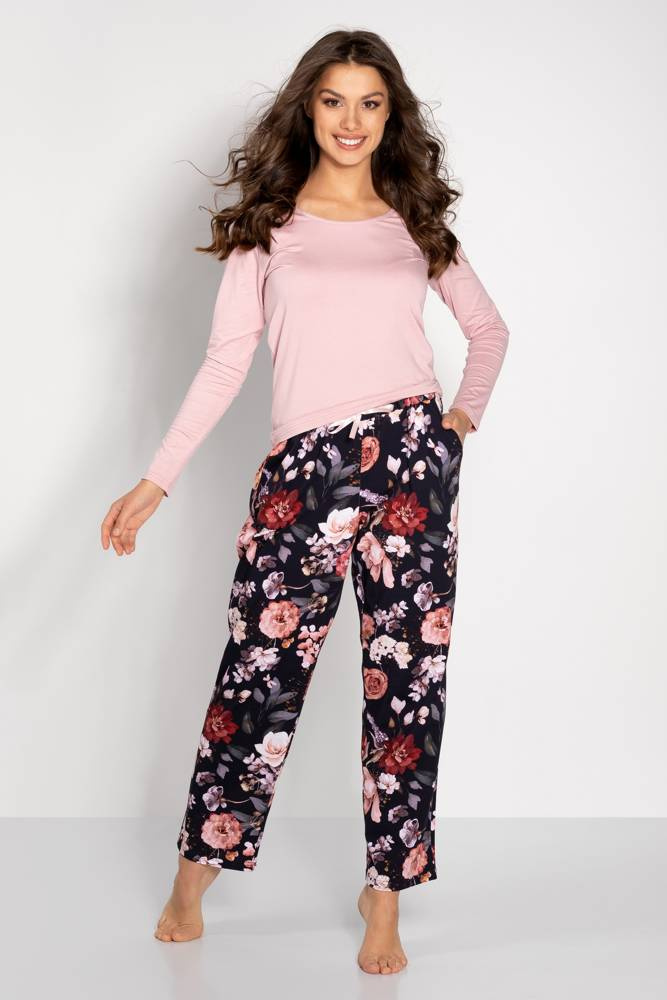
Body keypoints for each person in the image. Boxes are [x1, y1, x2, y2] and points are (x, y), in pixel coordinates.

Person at [100, 28, 510, 975]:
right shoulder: (269, 225)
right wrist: (156, 479)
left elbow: (487, 330)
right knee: (258, 675)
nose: (351, 120)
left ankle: (385, 898)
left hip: (412, 465)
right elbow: (224, 362)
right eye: (334, 100)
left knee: (408, 686)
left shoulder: (414, 222)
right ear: (308, 108)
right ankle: (194, 876)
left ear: (391, 115)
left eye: (370, 102)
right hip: (302, 473)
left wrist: (455, 425)